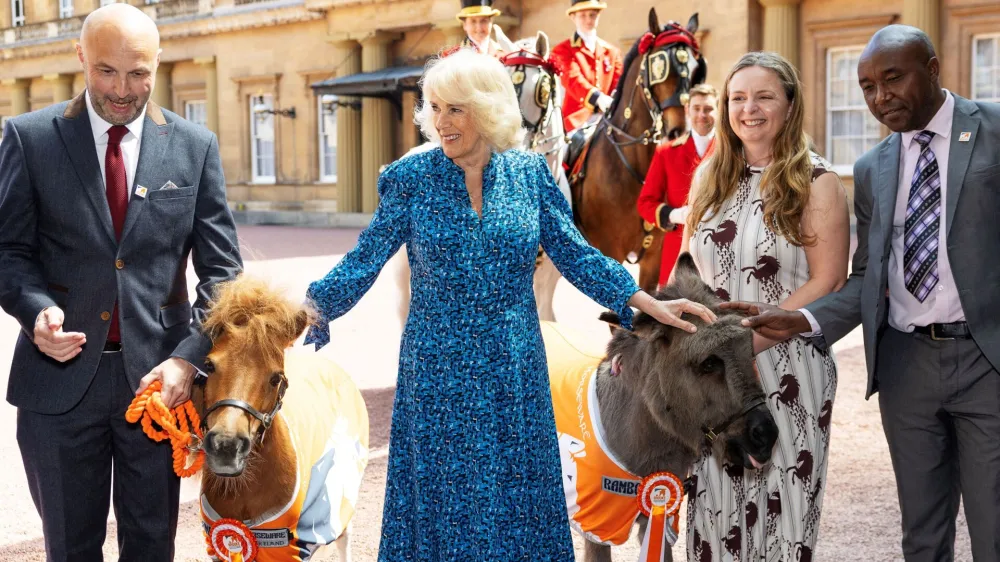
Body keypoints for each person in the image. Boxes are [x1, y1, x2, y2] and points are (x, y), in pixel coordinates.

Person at [303, 48, 716, 561]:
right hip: (437, 368)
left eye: (455, 109)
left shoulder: (529, 175)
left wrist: (645, 303)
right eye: (435, 108)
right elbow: (365, 257)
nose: (441, 121)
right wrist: (312, 306)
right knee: (445, 500)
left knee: (515, 499)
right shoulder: (410, 179)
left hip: (514, 364)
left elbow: (577, 254)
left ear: (487, 109)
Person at [723, 26, 1000, 561]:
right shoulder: (874, 168)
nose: (880, 97)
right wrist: (803, 320)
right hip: (906, 368)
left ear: (933, 69)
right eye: (868, 87)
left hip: (987, 363)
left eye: (893, 79)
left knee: (993, 532)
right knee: (922, 536)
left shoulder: (993, 129)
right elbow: (868, 279)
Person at [0, 4, 242, 560]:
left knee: (153, 546)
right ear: (80, 56)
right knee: (70, 548)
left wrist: (187, 360)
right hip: (57, 387)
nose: (121, 90)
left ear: (158, 62)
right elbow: (9, 252)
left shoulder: (195, 145)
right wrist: (35, 311)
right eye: (106, 71)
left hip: (159, 386)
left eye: (138, 73)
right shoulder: (29, 138)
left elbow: (223, 274)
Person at [679, 51, 850, 560]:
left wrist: (741, 346)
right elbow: (687, 272)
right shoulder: (708, 179)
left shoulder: (816, 181)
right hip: (714, 377)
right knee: (714, 512)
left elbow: (828, 279)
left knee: (782, 515)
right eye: (738, 98)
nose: (748, 109)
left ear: (790, 105)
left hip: (786, 363)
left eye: (764, 97)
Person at [636, 83, 718, 288]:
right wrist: (677, 215)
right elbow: (645, 203)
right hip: (678, 256)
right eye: (697, 108)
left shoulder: (732, 152)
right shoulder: (666, 153)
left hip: (721, 254)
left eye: (708, 109)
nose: (702, 115)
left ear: (718, 110)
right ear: (687, 110)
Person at [550, 0, 622, 132]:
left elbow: (618, 83)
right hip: (576, 121)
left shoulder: (612, 52)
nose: (588, 20)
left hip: (608, 117)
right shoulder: (562, 50)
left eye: (592, 15)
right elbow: (573, 79)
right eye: (582, 15)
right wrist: (597, 98)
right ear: (573, 17)